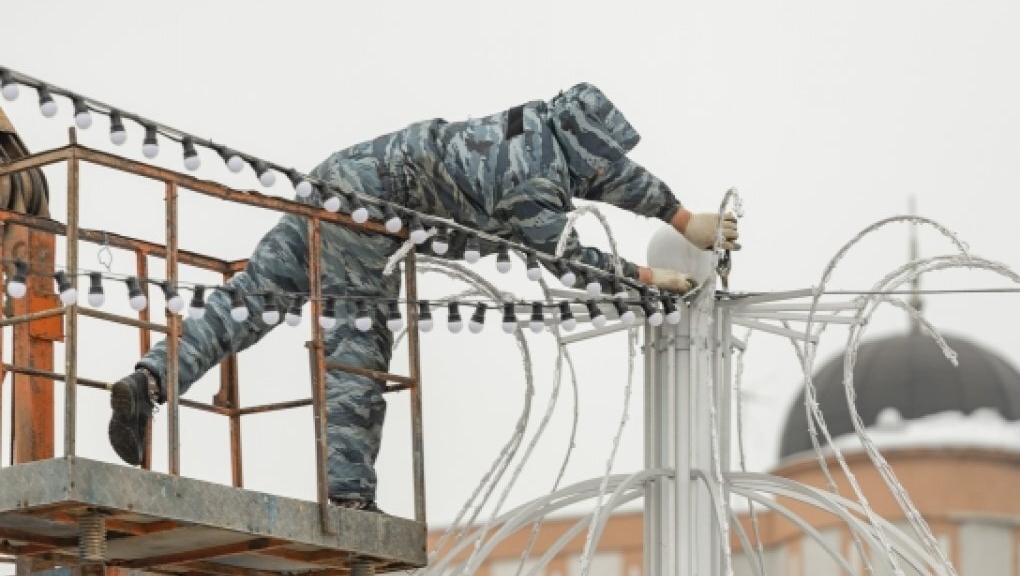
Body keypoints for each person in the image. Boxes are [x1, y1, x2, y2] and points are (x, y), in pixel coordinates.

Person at [108, 83, 738, 510]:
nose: (603, 169)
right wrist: (651, 280)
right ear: (584, 143)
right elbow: (567, 260)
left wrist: (683, 219)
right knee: (358, 344)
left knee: (249, 301)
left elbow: (614, 176)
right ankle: (348, 498)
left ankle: (149, 382)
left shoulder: (541, 130)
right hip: (369, 216)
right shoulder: (533, 180)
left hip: (334, 181)